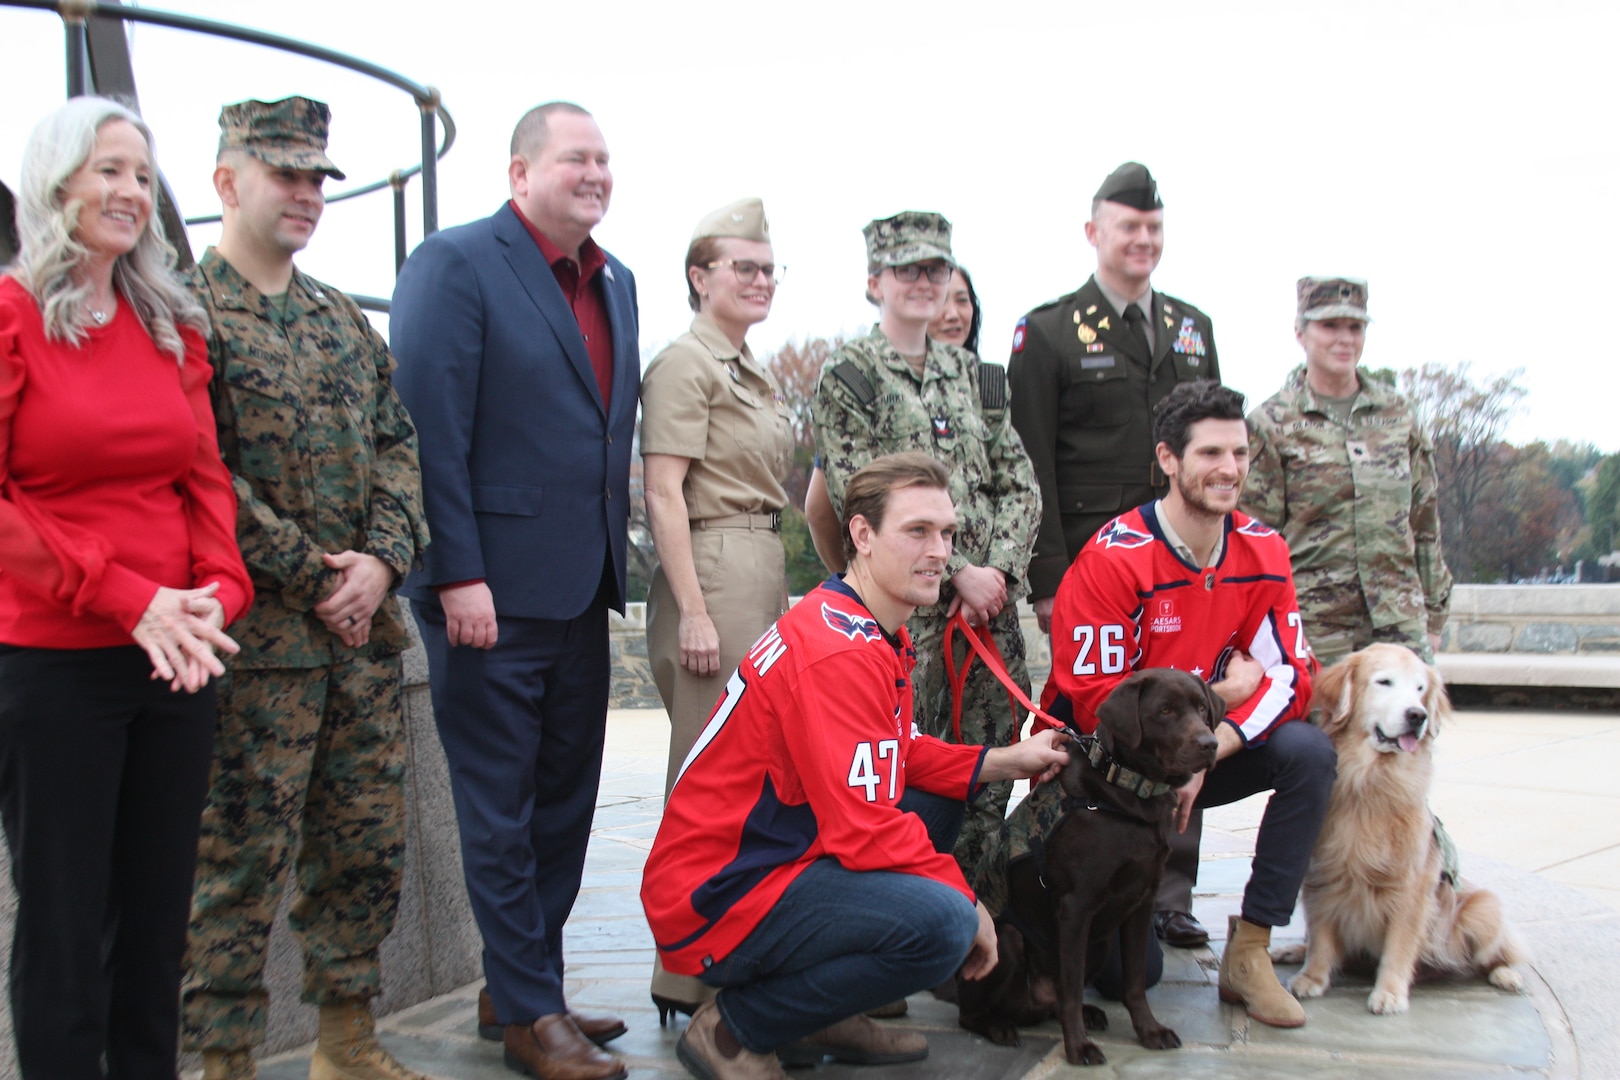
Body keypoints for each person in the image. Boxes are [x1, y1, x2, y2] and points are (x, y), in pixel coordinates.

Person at [641, 452, 1071, 1080]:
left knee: (939, 803)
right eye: (917, 531)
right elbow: (864, 827)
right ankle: (737, 1031)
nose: (939, 551)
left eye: (947, 534)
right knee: (945, 926)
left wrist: (1007, 760)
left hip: (764, 858)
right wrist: (968, 901)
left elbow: (896, 756)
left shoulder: (859, 621)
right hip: (718, 892)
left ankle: (816, 1012)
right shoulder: (837, 651)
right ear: (862, 536)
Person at [179, 97, 432, 1080]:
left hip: (361, 638)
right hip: (258, 645)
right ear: (226, 181)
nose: (304, 193)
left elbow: (396, 445)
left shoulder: (339, 319)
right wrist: (307, 570)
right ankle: (229, 1060)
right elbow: (195, 464)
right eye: (283, 172)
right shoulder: (187, 316)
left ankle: (347, 1039)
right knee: (236, 861)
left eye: (316, 176)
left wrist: (380, 562)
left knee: (364, 844)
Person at [0, 96, 252, 1079]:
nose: (129, 192)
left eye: (143, 176)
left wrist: (216, 595)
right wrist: (125, 596)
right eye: (109, 170)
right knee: (63, 925)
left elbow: (202, 478)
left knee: (156, 922)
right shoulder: (13, 316)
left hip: (177, 658)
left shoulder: (165, 324)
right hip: (54, 665)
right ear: (56, 180)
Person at [389, 101, 637, 1080]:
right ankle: (534, 1021)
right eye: (575, 157)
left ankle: (520, 984)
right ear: (519, 172)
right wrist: (456, 571)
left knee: (563, 806)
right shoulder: (457, 264)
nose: (595, 173)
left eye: (605, 160)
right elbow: (427, 427)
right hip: (485, 594)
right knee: (499, 809)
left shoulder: (615, 282)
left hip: (581, 590)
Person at [1040, 380, 1333, 1029]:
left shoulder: (1264, 550)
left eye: (1239, 453)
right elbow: (1096, 702)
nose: (1229, 469)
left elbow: (1293, 677)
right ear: (1168, 459)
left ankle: (1251, 948)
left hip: (1198, 748)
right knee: (1125, 975)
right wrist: (1224, 696)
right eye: (1210, 454)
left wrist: (1212, 749)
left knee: (1308, 752)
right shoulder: (1114, 557)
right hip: (1112, 767)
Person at [1007, 161, 1221, 949]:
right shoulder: (1051, 331)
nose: (1143, 240)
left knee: (1180, 721)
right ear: (1094, 233)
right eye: (1128, 226)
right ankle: (1081, 879)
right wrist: (1049, 581)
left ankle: (1166, 892)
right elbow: (1032, 462)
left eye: (1153, 228)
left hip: (1179, 571)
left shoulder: (1193, 328)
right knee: (1105, 726)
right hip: (1093, 579)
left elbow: (1211, 457)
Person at [812, 213, 1039, 877]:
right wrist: (957, 572)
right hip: (901, 618)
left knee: (990, 766)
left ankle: (976, 925)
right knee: (899, 768)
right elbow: (859, 495)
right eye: (907, 270)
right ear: (874, 282)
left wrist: (994, 574)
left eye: (935, 269)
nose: (923, 282)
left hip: (985, 620)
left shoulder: (979, 378)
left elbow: (1018, 485)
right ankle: (906, 910)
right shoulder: (849, 377)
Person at [639, 196, 793, 1020]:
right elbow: (664, 491)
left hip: (758, 562)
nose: (761, 280)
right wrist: (694, 611)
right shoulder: (685, 364)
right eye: (744, 267)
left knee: (753, 768)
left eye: (768, 268)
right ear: (701, 278)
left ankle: (734, 953)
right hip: (712, 564)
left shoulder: (746, 367)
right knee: (708, 773)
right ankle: (685, 972)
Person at [1244, 277, 1452, 668]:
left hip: (1397, 618)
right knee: (1320, 729)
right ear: (1300, 332)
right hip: (1314, 623)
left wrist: (1434, 612)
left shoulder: (1398, 414)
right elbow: (1255, 537)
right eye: (1329, 326)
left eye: (1355, 327)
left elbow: (1424, 520)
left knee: (1408, 728)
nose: (1345, 339)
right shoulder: (1270, 422)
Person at [805, 266, 982, 572]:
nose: (951, 313)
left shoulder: (985, 389)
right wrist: (861, 583)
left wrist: (997, 573)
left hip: (989, 602)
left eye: (962, 300)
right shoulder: (864, 382)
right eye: (943, 302)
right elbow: (821, 510)